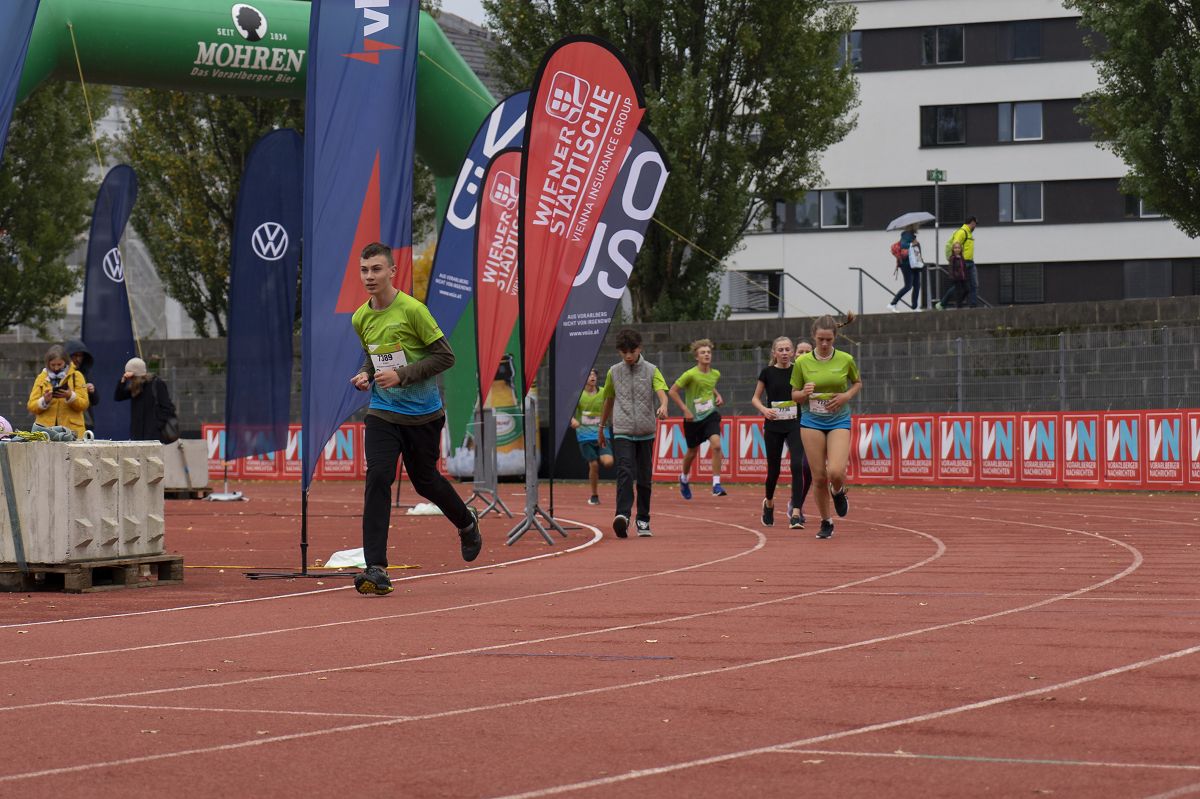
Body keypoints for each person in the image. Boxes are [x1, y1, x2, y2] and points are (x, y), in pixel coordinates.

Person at [349, 241, 481, 596]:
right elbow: (373, 355)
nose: (370, 276)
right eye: (364, 270)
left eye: (377, 269)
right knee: (378, 476)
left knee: (425, 482)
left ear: (392, 271)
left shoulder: (413, 311)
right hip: (382, 412)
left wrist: (402, 375)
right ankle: (376, 568)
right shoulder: (360, 317)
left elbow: (446, 357)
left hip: (423, 414)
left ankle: (466, 522)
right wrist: (365, 374)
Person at [791, 313, 862, 540]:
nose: (824, 344)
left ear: (835, 338)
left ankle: (838, 490)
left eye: (828, 340)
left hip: (838, 419)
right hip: (811, 421)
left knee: (836, 472)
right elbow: (794, 395)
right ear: (813, 336)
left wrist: (845, 396)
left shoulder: (845, 359)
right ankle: (826, 521)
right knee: (819, 476)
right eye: (820, 339)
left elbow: (857, 383)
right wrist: (804, 393)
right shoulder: (801, 362)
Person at [597, 328, 669, 538]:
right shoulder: (613, 372)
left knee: (644, 478)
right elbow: (608, 400)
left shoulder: (652, 370)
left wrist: (664, 405)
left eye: (632, 351)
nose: (628, 356)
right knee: (625, 471)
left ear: (640, 348)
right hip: (622, 430)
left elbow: (662, 393)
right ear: (619, 351)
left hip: (646, 431)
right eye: (624, 352)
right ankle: (622, 515)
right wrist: (601, 427)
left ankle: (643, 519)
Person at [751, 336, 812, 529]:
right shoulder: (767, 372)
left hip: (795, 423)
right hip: (774, 425)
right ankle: (768, 503)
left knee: (796, 465)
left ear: (793, 352)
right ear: (774, 353)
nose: (784, 353)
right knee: (774, 470)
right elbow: (755, 398)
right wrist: (764, 410)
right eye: (781, 350)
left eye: (787, 349)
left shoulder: (798, 371)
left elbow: (804, 395)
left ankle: (796, 512)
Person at [669, 338, 727, 499]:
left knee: (716, 445)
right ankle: (683, 478)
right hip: (693, 419)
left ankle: (716, 484)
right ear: (696, 356)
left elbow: (709, 385)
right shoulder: (690, 374)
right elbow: (672, 391)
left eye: (708, 352)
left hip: (710, 415)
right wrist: (685, 410)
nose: (706, 355)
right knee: (692, 452)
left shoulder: (715, 374)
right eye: (703, 352)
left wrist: (718, 395)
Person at [27, 344, 89, 438]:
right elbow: (31, 406)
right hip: (46, 432)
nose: (56, 368)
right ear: (48, 363)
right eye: (52, 365)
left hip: (71, 431)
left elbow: (84, 404)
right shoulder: (41, 377)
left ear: (66, 362)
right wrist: (44, 401)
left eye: (59, 364)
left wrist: (70, 396)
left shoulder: (76, 376)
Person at [572, 368, 614, 505]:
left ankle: (601, 455)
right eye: (589, 375)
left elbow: (611, 405)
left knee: (608, 462)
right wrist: (573, 420)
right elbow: (568, 412)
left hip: (602, 434)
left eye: (594, 374)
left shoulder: (604, 392)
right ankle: (594, 495)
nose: (592, 377)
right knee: (594, 465)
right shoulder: (578, 394)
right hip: (584, 437)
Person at [114, 357, 177, 442]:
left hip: (154, 434)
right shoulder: (136, 387)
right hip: (138, 434)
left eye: (132, 377)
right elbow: (118, 396)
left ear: (137, 375)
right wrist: (123, 380)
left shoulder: (157, 384)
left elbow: (167, 408)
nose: (131, 380)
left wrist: (157, 425)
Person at [64, 340, 99, 432]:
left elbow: (95, 401)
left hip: (85, 422)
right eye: (75, 355)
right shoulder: (60, 374)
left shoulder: (84, 374)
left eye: (80, 356)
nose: (78, 359)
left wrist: (92, 391)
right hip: (65, 422)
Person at [888, 224, 923, 312]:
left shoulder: (912, 236)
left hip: (914, 264)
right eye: (917, 225)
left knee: (917, 285)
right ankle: (892, 304)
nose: (918, 226)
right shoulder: (906, 235)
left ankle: (915, 307)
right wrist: (912, 244)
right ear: (912, 226)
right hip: (906, 265)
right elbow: (904, 245)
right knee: (908, 286)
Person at [950, 216, 978, 307]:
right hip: (963, 262)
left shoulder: (969, 233)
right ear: (972, 223)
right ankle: (947, 302)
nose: (975, 226)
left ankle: (973, 304)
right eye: (975, 224)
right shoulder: (962, 232)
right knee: (961, 286)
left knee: (973, 284)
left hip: (970, 262)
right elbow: (955, 245)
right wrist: (957, 259)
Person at [935, 241, 970, 310]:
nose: (957, 249)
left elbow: (964, 268)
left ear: (961, 249)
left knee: (967, 289)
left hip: (963, 278)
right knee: (958, 292)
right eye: (955, 248)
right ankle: (959, 306)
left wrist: (966, 276)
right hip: (956, 278)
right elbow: (951, 269)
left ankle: (959, 302)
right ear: (953, 249)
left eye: (958, 248)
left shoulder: (962, 258)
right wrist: (954, 277)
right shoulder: (952, 258)